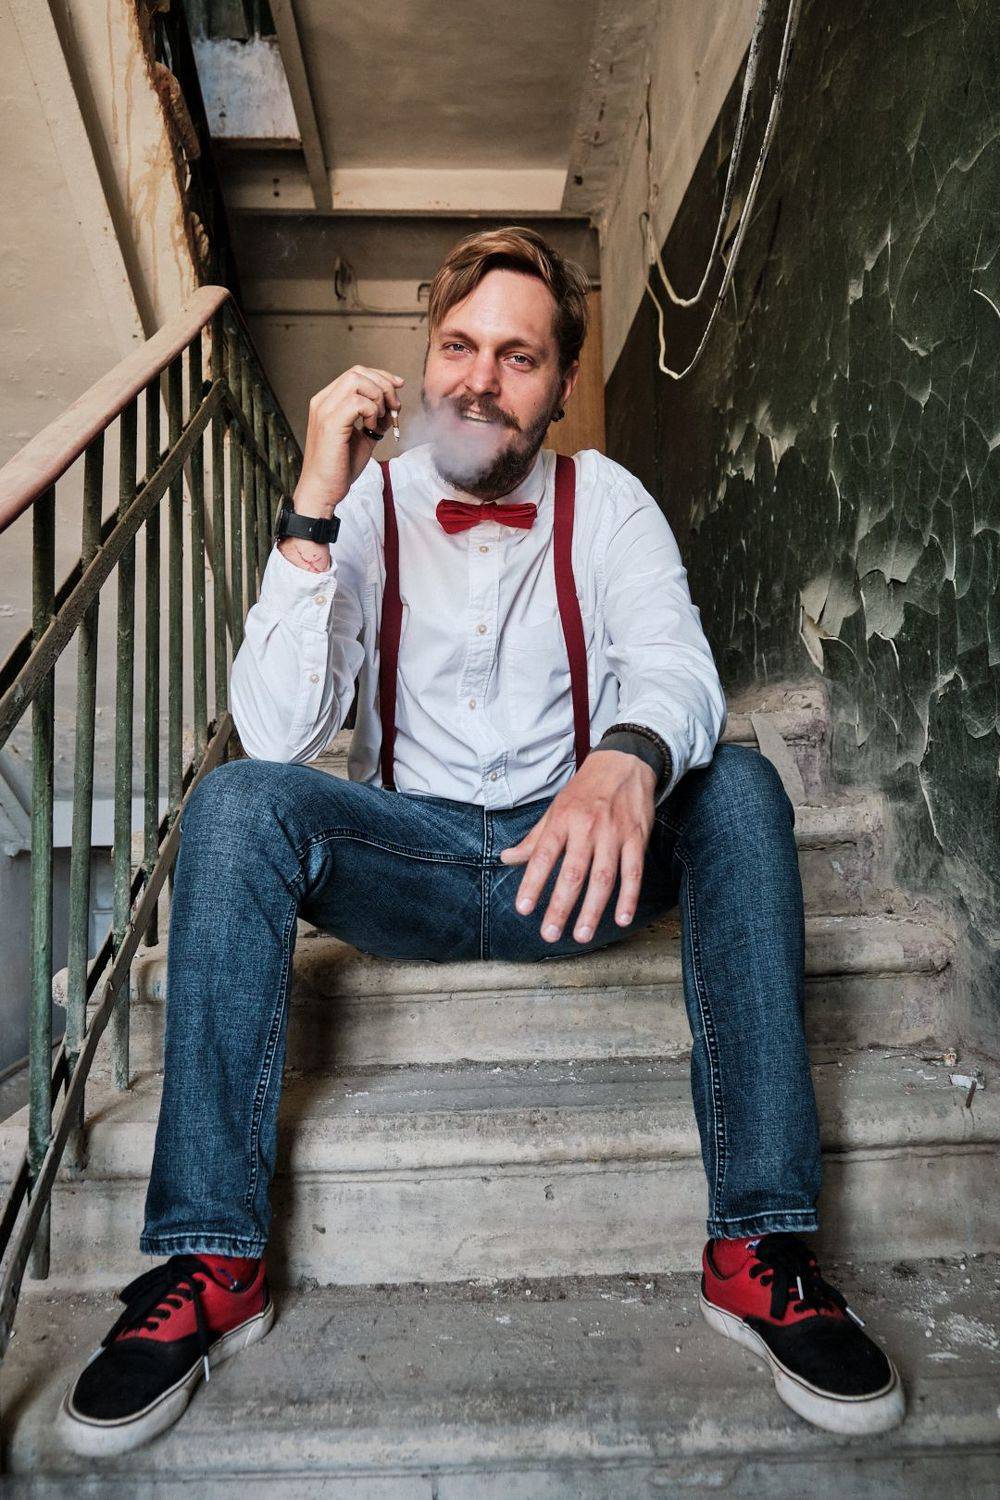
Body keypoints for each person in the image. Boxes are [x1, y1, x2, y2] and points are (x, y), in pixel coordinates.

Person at [59, 226, 903, 1456]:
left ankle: (758, 1247)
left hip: (574, 868)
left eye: (518, 357)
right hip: (405, 862)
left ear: (560, 384)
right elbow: (280, 734)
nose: (479, 380)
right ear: (423, 360)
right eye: (458, 347)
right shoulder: (364, 505)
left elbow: (675, 665)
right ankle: (210, 1262)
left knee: (738, 787)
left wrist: (627, 759)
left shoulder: (606, 499)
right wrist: (311, 504)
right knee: (238, 802)